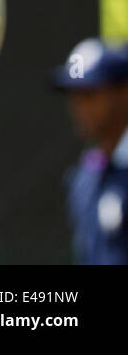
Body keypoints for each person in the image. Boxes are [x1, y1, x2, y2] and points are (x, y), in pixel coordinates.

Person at [52, 37, 128, 264]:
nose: (79, 107)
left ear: (124, 93)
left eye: (90, 94)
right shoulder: (84, 181)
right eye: (74, 95)